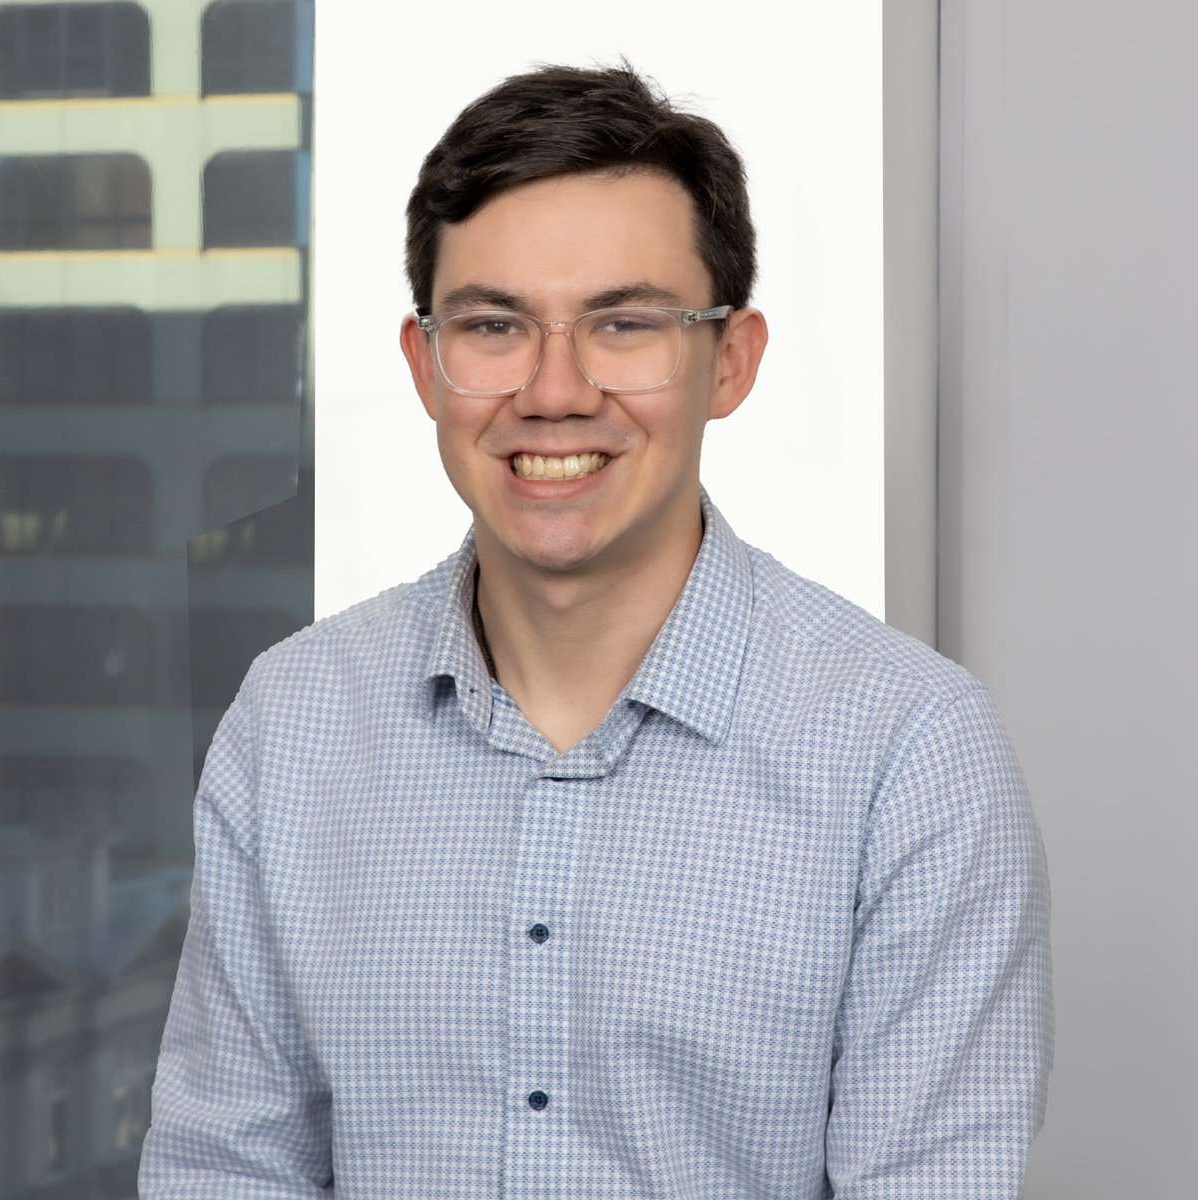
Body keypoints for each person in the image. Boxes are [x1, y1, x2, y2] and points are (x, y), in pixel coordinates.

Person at [138, 59, 1053, 1199]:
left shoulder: (911, 753)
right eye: (493, 325)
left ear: (730, 360)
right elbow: (225, 1170)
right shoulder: (295, 722)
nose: (555, 389)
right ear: (426, 365)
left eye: (624, 323)